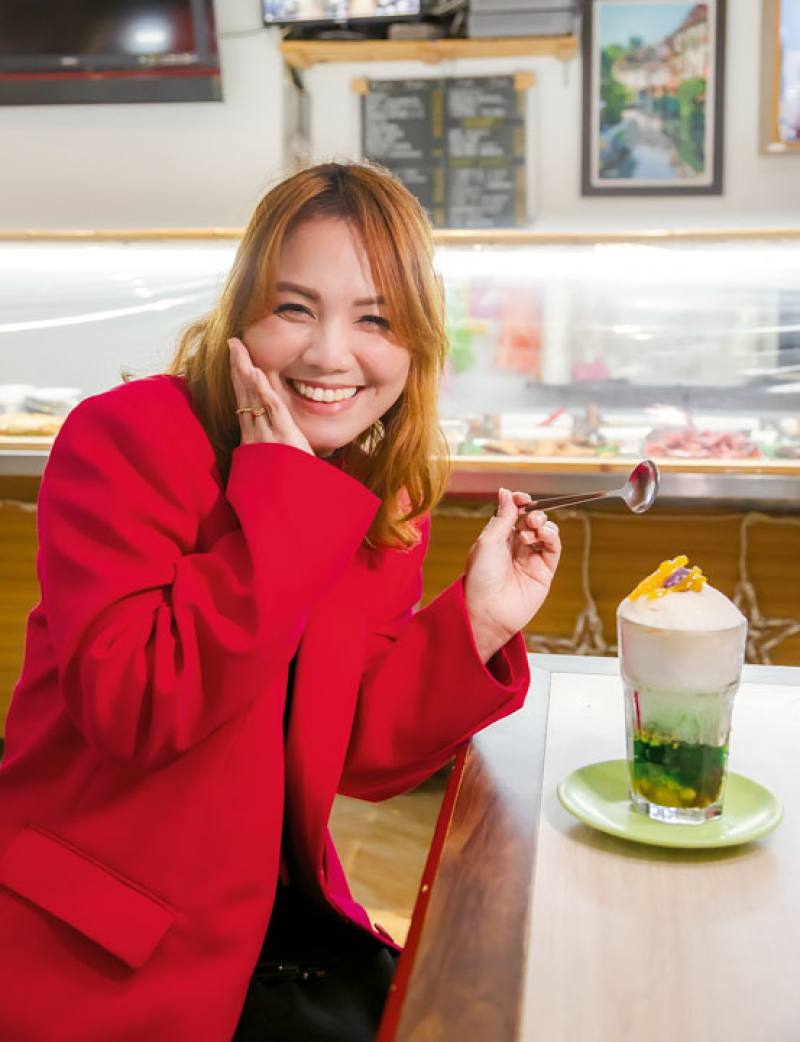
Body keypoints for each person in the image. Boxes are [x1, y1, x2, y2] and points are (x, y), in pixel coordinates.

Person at [0, 161, 561, 1042]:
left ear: (416, 345)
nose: (330, 354)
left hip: (269, 932)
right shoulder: (125, 438)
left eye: (376, 319)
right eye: (294, 309)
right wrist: (284, 504)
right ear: (242, 316)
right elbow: (135, 707)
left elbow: (353, 750)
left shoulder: (380, 486)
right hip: (98, 949)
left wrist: (479, 619)